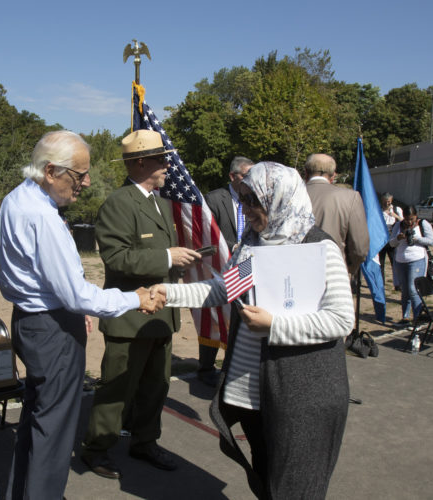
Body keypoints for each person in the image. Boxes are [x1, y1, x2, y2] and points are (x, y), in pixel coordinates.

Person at [151, 162, 354, 498]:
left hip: (302, 393)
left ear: (279, 198)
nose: (244, 209)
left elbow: (341, 320)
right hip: (253, 393)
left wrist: (275, 325)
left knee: (295, 487)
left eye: (252, 200)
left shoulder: (319, 247)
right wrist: (168, 293)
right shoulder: (253, 243)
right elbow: (223, 290)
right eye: (242, 198)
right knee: (267, 479)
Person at [0, 130, 162, 500]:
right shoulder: (43, 217)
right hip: (52, 329)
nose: (86, 182)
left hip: (33, 320)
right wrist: (134, 299)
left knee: (36, 422)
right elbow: (77, 294)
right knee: (53, 433)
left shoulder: (17, 199)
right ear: (51, 171)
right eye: (79, 174)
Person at [81, 129, 200, 480]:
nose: (169, 165)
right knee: (118, 388)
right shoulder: (119, 203)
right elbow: (117, 259)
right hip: (130, 316)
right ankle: (96, 448)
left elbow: (159, 257)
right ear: (141, 162)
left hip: (161, 314)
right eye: (163, 159)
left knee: (155, 386)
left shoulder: (159, 202)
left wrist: (179, 259)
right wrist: (166, 256)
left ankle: (145, 441)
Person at [199, 155, 255, 386]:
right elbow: (204, 237)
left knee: (240, 316)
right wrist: (232, 246)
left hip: (247, 269)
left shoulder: (255, 198)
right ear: (233, 177)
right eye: (246, 176)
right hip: (218, 269)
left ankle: (232, 366)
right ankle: (205, 368)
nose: (251, 180)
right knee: (213, 317)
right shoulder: (213, 199)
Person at [304, 153, 369, 276]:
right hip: (335, 273)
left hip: (296, 274)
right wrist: (348, 269)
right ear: (333, 176)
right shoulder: (350, 198)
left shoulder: (289, 196)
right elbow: (359, 249)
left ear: (306, 172)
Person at [389, 206, 433, 324]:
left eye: (412, 219)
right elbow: (391, 243)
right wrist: (398, 238)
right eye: (407, 219)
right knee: (405, 290)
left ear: (416, 216)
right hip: (400, 260)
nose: (409, 222)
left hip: (417, 259)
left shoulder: (423, 224)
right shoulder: (398, 226)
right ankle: (405, 316)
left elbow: (431, 241)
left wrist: (416, 238)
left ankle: (418, 318)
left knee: (413, 289)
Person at [379, 192, 403, 289]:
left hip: (393, 238)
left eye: (388, 202)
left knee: (395, 262)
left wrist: (394, 215)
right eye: (385, 202)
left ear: (391, 200)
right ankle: (381, 283)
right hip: (382, 239)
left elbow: (403, 221)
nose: (386, 204)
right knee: (381, 262)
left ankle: (397, 284)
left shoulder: (397, 210)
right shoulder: (379, 210)